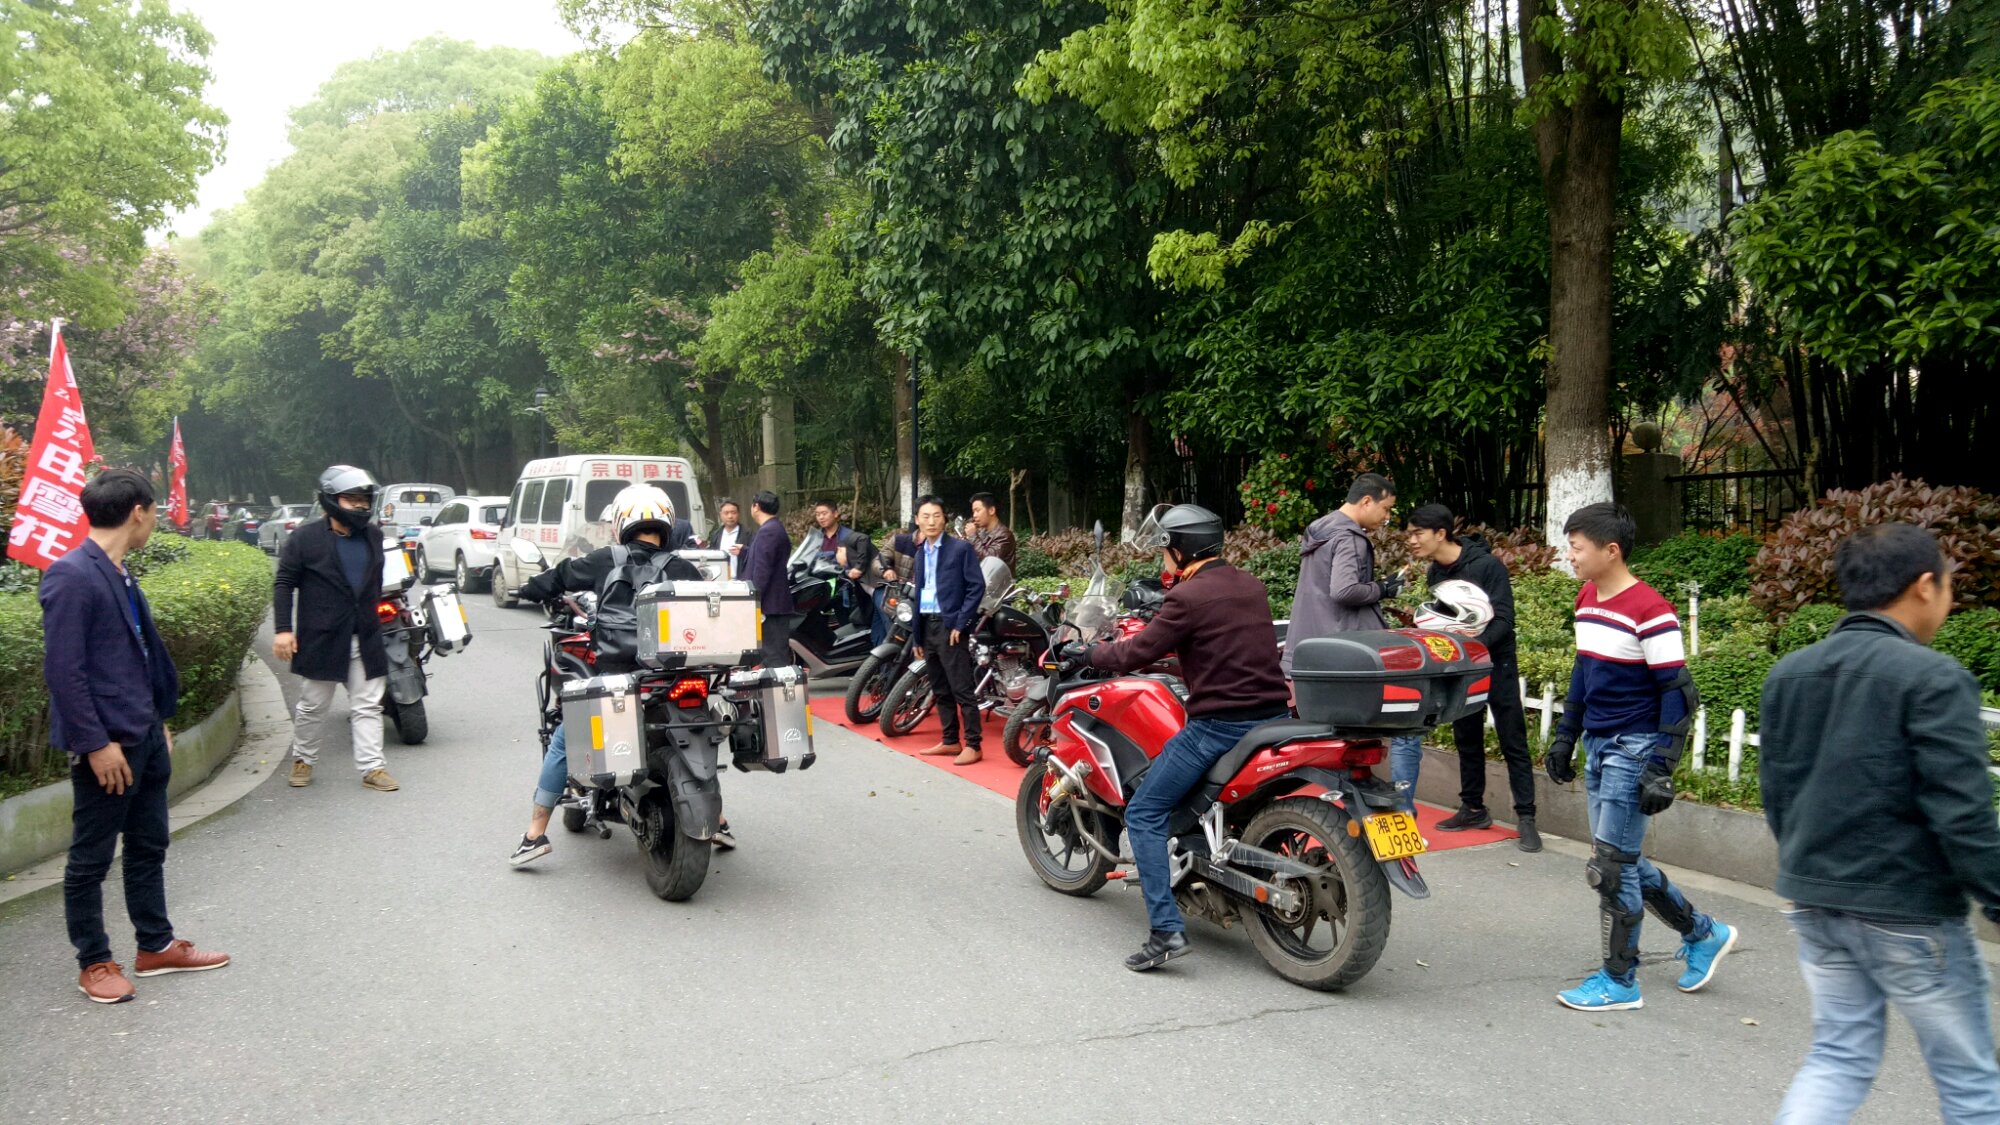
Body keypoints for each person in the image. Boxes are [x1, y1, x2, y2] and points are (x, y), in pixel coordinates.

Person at [1759, 523, 2000, 1122]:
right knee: (1969, 1078)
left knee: (1838, 1057)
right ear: (1925, 586)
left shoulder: (1790, 673)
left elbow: (1779, 791)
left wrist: (1808, 867)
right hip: (1910, 909)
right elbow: (1963, 813)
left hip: (1815, 900)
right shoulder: (1934, 678)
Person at [1062, 504, 1291, 971]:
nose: (1163, 558)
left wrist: (1087, 652)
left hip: (1220, 725)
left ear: (1179, 549)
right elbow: (1223, 646)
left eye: (1165, 549)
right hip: (1273, 716)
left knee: (1144, 812)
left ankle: (1165, 931)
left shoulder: (1186, 597)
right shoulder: (1250, 585)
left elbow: (1134, 653)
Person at [40, 468, 230, 1004]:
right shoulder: (71, 575)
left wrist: (157, 719)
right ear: (138, 513)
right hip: (107, 747)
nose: (155, 522)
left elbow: (134, 659)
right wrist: (94, 744)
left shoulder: (119, 573)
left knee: (148, 845)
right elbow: (64, 673)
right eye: (154, 513)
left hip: (144, 734)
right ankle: (94, 962)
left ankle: (156, 946)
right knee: (90, 859)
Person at [1544, 501, 1733, 1012]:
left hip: (1635, 747)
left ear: (1611, 550)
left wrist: (1661, 767)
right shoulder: (1587, 596)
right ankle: (1703, 933)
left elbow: (1678, 692)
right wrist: (1566, 736)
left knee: (1611, 867)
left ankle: (1620, 981)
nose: (1570, 556)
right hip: (1598, 743)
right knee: (1619, 860)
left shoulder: (1652, 610)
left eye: (1576, 548)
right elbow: (1585, 670)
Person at [508, 484, 716, 866]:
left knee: (565, 739)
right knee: (697, 730)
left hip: (618, 672)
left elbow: (559, 577)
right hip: (672, 676)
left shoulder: (606, 559)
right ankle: (718, 819)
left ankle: (534, 835)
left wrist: (530, 588)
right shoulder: (684, 568)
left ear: (622, 522)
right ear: (667, 522)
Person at [1397, 504, 1540, 851]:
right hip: (1463, 665)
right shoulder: (1435, 573)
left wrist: (1475, 649)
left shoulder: (1488, 566)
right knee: (1466, 735)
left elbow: (1504, 619)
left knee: (1512, 737)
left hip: (1497, 662)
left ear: (1440, 533)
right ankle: (1473, 808)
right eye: (1409, 534)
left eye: (1417, 533)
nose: (1411, 540)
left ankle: (1526, 817)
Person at [274, 465, 399, 793]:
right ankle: (303, 759)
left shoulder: (373, 536)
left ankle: (373, 767)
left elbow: (374, 583)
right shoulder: (305, 539)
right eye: (351, 499)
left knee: (368, 705)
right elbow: (284, 583)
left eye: (364, 499)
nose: (359, 505)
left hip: (365, 636)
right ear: (331, 500)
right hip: (322, 637)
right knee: (313, 705)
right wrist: (283, 629)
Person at [1283, 473, 1401, 676]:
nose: (1387, 517)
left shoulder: (1322, 530)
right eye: (1386, 508)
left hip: (1308, 648)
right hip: (1341, 653)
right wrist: (1382, 589)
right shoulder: (1348, 538)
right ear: (1366, 501)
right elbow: (1344, 591)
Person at [910, 494, 987, 765]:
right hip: (927, 624)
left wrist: (960, 622)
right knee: (940, 687)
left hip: (950, 626)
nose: (931, 521)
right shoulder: (920, 553)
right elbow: (918, 594)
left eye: (936, 516)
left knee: (961, 688)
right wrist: (917, 637)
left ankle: (974, 745)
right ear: (917, 520)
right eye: (926, 516)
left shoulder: (960, 549)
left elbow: (976, 586)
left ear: (944, 519)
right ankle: (951, 740)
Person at [741, 490, 797, 667]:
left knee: (774, 656)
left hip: (770, 605)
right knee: (769, 655)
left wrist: (754, 600)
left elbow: (762, 570)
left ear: (756, 506)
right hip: (771, 604)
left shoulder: (769, 531)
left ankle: (778, 685)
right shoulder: (772, 528)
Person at [965, 491, 1016, 573]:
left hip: (999, 581)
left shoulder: (1004, 535)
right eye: (973, 512)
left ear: (991, 510)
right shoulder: (983, 532)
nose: (974, 515)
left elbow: (989, 561)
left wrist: (973, 536)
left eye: (977, 510)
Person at [708, 499, 745, 579]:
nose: (730, 516)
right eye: (726, 513)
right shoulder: (715, 535)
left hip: (740, 579)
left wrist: (743, 551)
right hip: (720, 579)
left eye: (733, 513)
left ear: (738, 514)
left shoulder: (747, 534)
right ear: (720, 515)